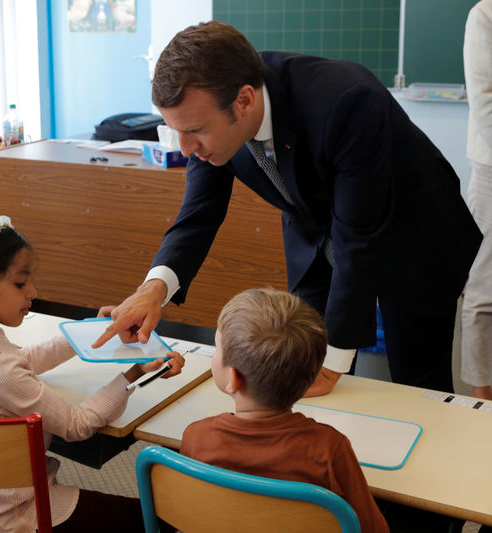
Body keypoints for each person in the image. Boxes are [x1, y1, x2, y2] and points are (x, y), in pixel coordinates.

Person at [94, 21, 482, 396]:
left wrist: (335, 361)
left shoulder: (347, 100)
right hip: (318, 239)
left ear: (244, 101)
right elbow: (199, 213)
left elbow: (359, 236)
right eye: (175, 129)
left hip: (414, 238)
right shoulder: (209, 111)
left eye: (193, 131)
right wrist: (153, 289)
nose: (185, 148)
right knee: (301, 370)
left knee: (416, 382)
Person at [0, 214, 184, 533]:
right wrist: (133, 375)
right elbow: (77, 424)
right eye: (20, 283)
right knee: (163, 520)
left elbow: (22, 361)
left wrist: (88, 332)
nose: (32, 291)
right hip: (15, 518)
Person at [181, 287, 388, 532]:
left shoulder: (197, 437)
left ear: (233, 379)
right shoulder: (330, 449)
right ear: (311, 378)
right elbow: (372, 528)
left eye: (217, 350)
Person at [461, 0, 492, 400]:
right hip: (491, 170)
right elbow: (486, 105)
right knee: (484, 290)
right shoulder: (485, 14)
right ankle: (481, 399)